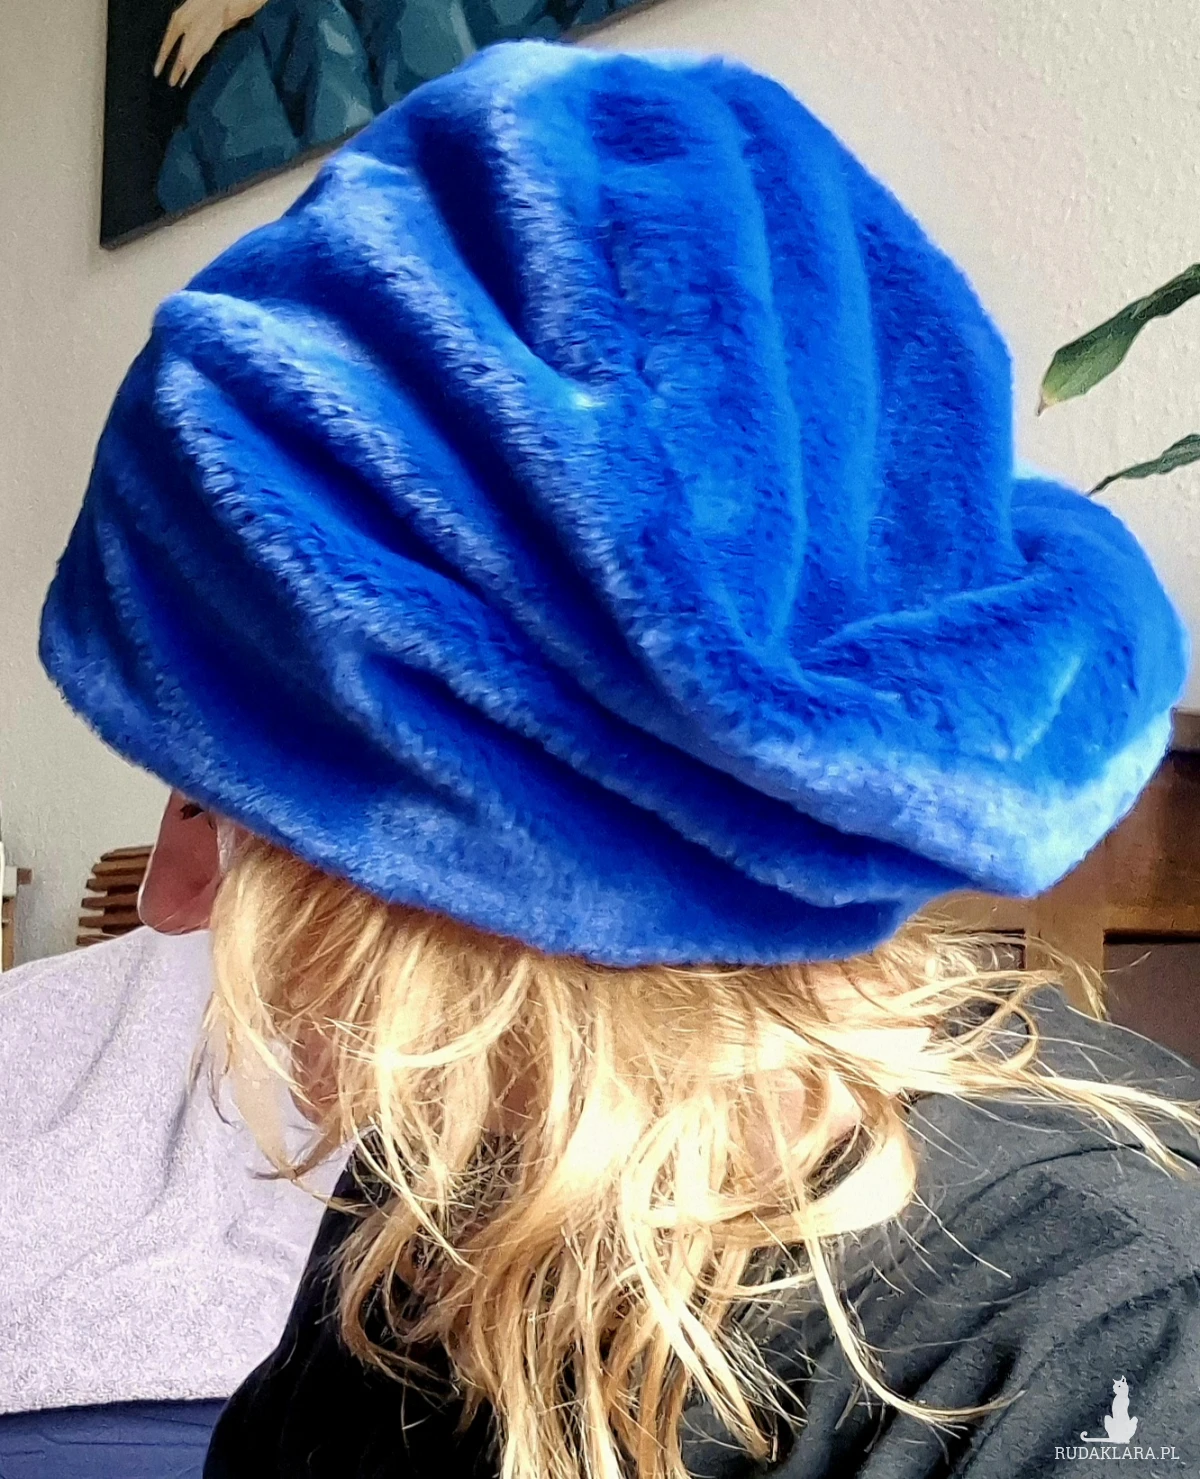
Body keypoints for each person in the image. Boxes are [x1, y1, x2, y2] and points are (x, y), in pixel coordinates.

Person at [40, 40, 1200, 1479]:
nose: (168, 902)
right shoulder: (465, 1158)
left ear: (511, 856)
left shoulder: (1103, 1351)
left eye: (226, 806)